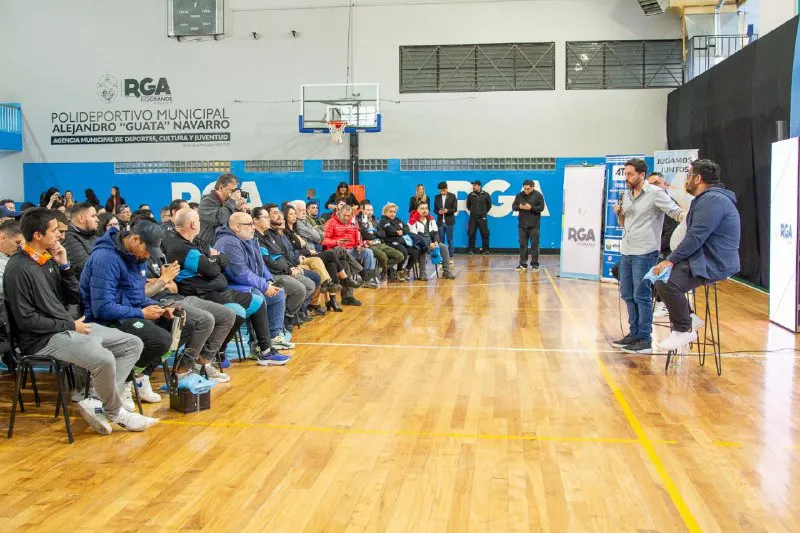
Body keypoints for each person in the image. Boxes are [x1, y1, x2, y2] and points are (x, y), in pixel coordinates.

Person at [3, 208, 156, 434]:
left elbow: (73, 297)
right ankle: (115, 412)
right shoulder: (18, 269)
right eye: (54, 231)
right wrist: (69, 325)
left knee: (132, 343)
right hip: (42, 339)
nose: (59, 235)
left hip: (66, 328)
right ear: (37, 235)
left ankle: (96, 401)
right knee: (103, 359)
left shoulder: (47, 260)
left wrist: (64, 267)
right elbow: (27, 321)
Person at [164, 208, 287, 366]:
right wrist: (214, 261)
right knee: (238, 310)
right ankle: (214, 353)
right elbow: (214, 269)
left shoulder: (198, 241)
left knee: (257, 301)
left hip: (215, 288)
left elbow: (222, 260)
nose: (253, 227)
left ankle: (265, 350)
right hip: (201, 293)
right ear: (193, 224)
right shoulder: (182, 248)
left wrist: (214, 260)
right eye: (249, 224)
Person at [653, 159, 740, 350]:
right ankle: (689, 317)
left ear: (698, 178)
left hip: (713, 261)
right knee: (655, 275)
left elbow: (695, 237)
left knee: (665, 280)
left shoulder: (713, 200)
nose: (686, 180)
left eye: (688, 176)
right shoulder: (707, 199)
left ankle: (684, 328)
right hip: (700, 258)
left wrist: (671, 260)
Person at [611, 158, 686, 355]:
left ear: (641, 175)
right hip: (627, 249)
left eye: (630, 174)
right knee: (627, 293)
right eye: (625, 174)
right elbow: (625, 224)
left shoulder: (655, 194)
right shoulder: (626, 195)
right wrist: (619, 214)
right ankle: (633, 333)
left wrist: (693, 223)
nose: (626, 178)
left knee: (641, 294)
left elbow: (677, 213)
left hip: (645, 251)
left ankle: (644, 337)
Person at [214, 212, 294, 350]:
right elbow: (240, 273)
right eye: (249, 224)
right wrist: (263, 286)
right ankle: (256, 344)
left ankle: (274, 337)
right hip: (230, 286)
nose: (253, 227)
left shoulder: (250, 239)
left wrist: (268, 281)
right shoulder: (228, 242)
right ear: (237, 227)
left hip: (247, 283)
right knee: (257, 295)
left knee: (278, 293)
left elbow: (262, 265)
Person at [263, 204, 320, 321]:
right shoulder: (264, 236)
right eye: (275, 213)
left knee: (314, 280)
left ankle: (295, 311)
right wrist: (291, 268)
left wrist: (292, 267)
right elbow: (269, 261)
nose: (279, 216)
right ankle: (289, 315)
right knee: (304, 286)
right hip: (275, 273)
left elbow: (285, 255)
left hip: (287, 267)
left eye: (279, 213)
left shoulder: (280, 234)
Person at [322, 204, 375, 305]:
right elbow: (324, 240)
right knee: (343, 252)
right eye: (344, 215)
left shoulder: (353, 222)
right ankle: (363, 272)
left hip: (351, 250)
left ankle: (348, 297)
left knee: (368, 252)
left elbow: (358, 236)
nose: (346, 218)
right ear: (339, 212)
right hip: (335, 251)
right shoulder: (331, 222)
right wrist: (337, 242)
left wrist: (360, 246)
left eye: (348, 216)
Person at [647, 172, 681, 318]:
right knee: (620, 269)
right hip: (649, 248)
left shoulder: (670, 205)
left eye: (657, 183)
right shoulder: (647, 202)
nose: (653, 187)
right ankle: (648, 297)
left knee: (654, 268)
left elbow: (670, 235)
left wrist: (652, 248)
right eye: (650, 184)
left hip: (668, 252)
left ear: (664, 185)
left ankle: (664, 303)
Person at [358, 202, 404, 283]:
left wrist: (374, 232)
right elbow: (365, 235)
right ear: (363, 211)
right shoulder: (359, 221)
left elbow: (383, 234)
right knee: (383, 257)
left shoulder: (375, 220)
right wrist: (374, 234)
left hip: (379, 243)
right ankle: (384, 273)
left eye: (371, 210)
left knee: (400, 256)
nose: (370, 212)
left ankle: (378, 270)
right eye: (368, 210)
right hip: (369, 245)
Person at [408, 202, 456, 280]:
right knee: (424, 248)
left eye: (426, 208)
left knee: (443, 247)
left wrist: (436, 241)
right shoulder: (412, 221)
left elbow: (436, 232)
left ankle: (446, 272)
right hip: (418, 244)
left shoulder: (431, 219)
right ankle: (422, 273)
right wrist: (429, 244)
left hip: (432, 243)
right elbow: (415, 237)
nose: (425, 210)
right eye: (422, 208)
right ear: (417, 210)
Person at [198, 173, 246, 247]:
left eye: (235, 190)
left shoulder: (228, 203)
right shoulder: (206, 201)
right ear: (221, 187)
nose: (234, 194)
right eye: (231, 190)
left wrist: (239, 210)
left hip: (227, 244)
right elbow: (220, 219)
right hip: (210, 247)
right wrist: (232, 201)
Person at [512, 180, 545, 272]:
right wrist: (519, 207)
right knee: (523, 245)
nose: (526, 190)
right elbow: (513, 207)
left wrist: (531, 208)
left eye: (528, 189)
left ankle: (535, 264)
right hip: (522, 225)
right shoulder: (519, 195)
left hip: (534, 226)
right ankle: (523, 264)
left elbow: (541, 208)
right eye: (524, 188)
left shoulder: (538, 195)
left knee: (534, 245)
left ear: (532, 187)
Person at [63, 202, 99, 277]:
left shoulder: (92, 235)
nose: (97, 219)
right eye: (93, 216)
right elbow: (85, 267)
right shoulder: (68, 237)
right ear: (81, 218)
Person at [0, 220, 24, 306]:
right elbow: (13, 292)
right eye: (17, 242)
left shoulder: (13, 256)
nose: (20, 247)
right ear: (3, 238)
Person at [433, 182, 457, 262]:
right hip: (440, 222)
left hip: (449, 222)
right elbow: (434, 209)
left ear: (447, 188)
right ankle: (442, 258)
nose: (442, 192)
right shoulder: (436, 197)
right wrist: (438, 212)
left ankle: (451, 257)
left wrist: (447, 210)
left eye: (443, 190)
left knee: (450, 240)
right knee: (441, 241)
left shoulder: (452, 196)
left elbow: (455, 209)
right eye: (440, 190)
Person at [466, 180, 492, 254]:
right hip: (473, 218)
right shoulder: (470, 195)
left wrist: (483, 213)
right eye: (473, 185)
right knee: (471, 233)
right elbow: (468, 206)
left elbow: (489, 205)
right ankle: (471, 249)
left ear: (479, 186)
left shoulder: (486, 195)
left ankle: (486, 249)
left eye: (475, 185)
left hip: (482, 218)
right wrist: (474, 212)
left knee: (485, 234)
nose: (473, 187)